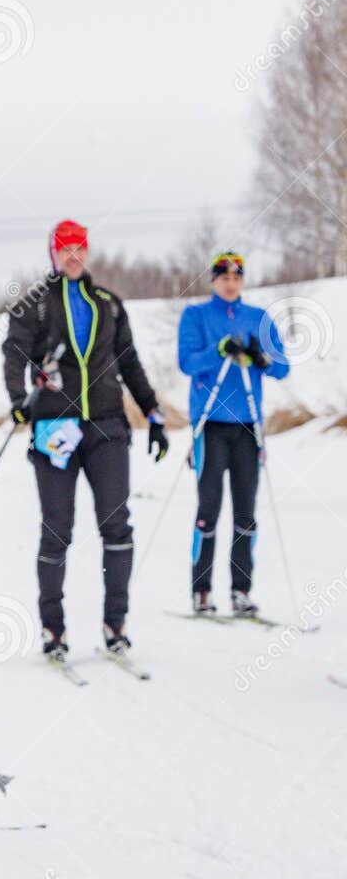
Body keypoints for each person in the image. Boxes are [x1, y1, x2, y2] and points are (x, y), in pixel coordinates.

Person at [2, 219, 168, 664]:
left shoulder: (108, 304)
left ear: (88, 252)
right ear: (53, 255)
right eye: (65, 249)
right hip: (54, 427)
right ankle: (54, 631)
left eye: (79, 249)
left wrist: (151, 411)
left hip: (108, 427)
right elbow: (13, 353)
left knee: (117, 526)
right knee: (57, 530)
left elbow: (130, 362)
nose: (73, 256)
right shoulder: (34, 305)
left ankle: (117, 624)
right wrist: (19, 401)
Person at [177, 251, 290, 618]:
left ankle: (241, 590)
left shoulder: (257, 319)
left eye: (237, 276)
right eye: (224, 276)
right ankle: (201, 590)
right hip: (210, 424)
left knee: (246, 512)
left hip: (247, 426)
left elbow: (282, 367)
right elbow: (187, 362)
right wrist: (219, 350)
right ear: (213, 280)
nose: (230, 282)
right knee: (208, 509)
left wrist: (261, 359)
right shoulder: (196, 316)